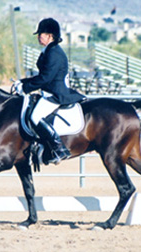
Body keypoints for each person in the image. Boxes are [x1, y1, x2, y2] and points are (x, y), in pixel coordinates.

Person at [14, 18, 86, 164]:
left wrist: (26, 88)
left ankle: (58, 148)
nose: (39, 36)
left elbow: (46, 78)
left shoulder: (54, 53)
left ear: (50, 35)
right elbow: (42, 76)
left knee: (35, 117)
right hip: (48, 92)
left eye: (41, 33)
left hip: (55, 94)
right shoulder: (48, 50)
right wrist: (22, 82)